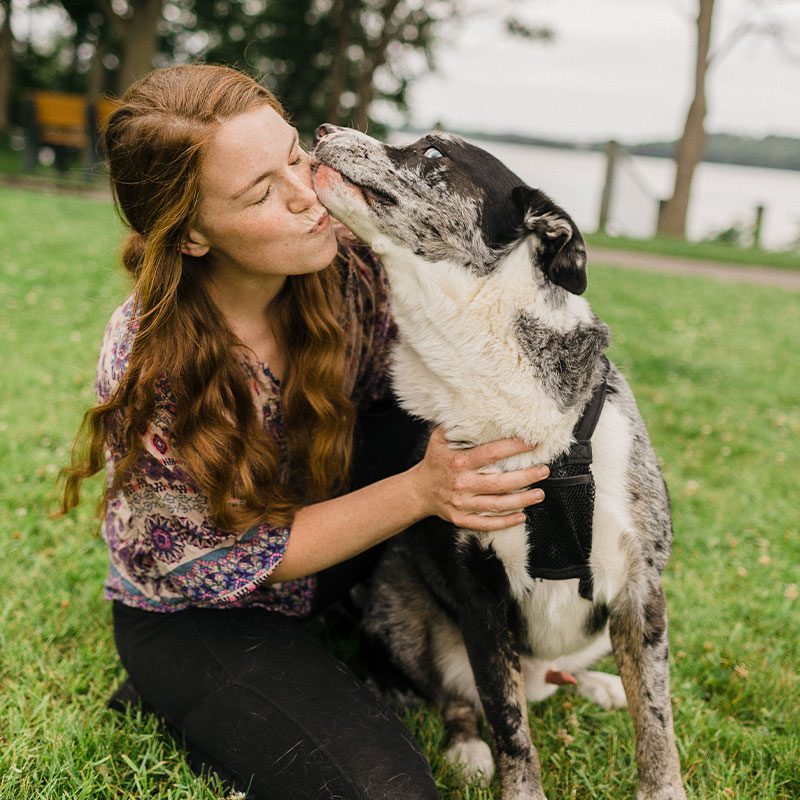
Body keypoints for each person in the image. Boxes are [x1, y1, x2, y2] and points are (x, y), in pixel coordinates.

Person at [60, 64, 550, 800]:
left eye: (294, 154)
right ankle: (187, 691)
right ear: (193, 234)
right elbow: (244, 553)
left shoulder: (347, 264)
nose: (307, 196)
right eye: (261, 192)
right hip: (205, 609)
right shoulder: (152, 366)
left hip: (327, 564)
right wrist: (423, 490)